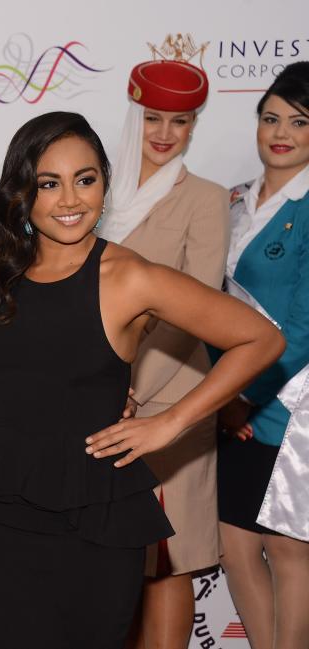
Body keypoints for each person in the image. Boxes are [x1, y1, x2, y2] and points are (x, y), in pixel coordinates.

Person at [0, 111, 284, 649]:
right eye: (50, 183)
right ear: (23, 192)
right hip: (2, 523)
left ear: (105, 186)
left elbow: (261, 339)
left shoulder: (128, 277)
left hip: (97, 522)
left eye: (85, 180)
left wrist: (169, 424)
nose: (70, 200)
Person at [98, 59, 229, 649]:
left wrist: (129, 386)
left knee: (168, 557)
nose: (165, 132)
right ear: (134, 113)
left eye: (181, 121)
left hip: (169, 401)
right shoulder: (93, 190)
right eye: (153, 117)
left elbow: (193, 310)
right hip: (96, 403)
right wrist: (99, 383)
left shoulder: (204, 199)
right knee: (112, 558)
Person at [214, 60, 309, 649]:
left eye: (299, 123)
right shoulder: (234, 201)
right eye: (270, 118)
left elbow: (302, 326)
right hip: (232, 397)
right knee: (235, 540)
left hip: (289, 401)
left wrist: (243, 396)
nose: (281, 132)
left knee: (288, 548)